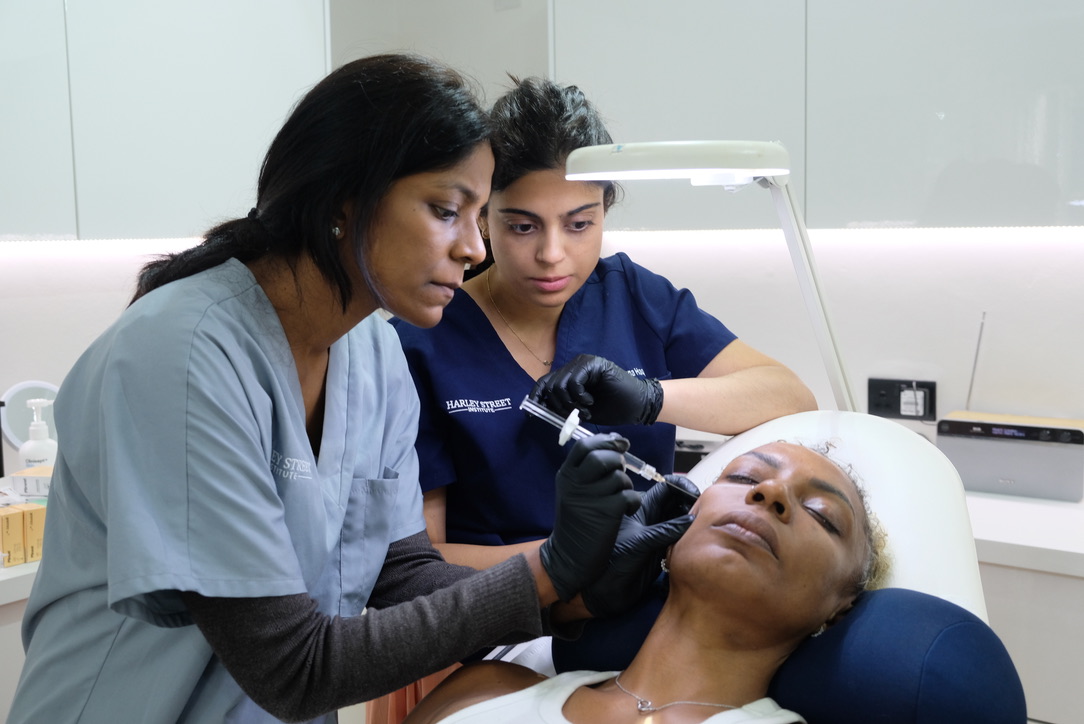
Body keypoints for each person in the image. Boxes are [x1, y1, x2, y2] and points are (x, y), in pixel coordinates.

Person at [7, 55, 694, 724]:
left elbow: (405, 578)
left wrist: (580, 589)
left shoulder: (370, 352)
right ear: (346, 200)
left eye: (477, 214)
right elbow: (295, 667)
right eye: (445, 210)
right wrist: (549, 572)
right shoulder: (185, 353)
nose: (474, 248)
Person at [382, 76, 816, 720]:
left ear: (606, 212)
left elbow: (788, 396)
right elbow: (423, 565)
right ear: (481, 216)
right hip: (493, 638)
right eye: (521, 225)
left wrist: (648, 397)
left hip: (645, 619)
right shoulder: (423, 342)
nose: (552, 254)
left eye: (580, 224)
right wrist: (572, 569)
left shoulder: (633, 295)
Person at [400, 441, 889, 724]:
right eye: (743, 477)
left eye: (822, 516)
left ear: (840, 606)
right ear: (668, 542)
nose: (770, 492)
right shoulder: (484, 689)